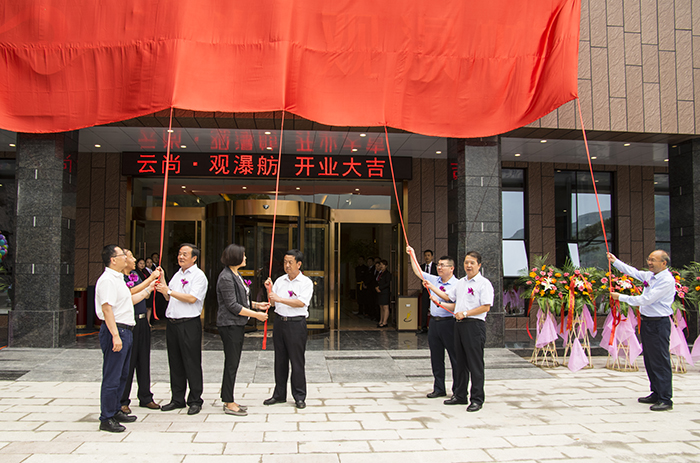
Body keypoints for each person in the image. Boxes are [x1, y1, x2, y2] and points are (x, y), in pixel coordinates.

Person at [95, 245, 155, 432]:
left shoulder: (118, 279)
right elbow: (107, 309)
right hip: (117, 330)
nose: (127, 258)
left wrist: (149, 288)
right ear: (113, 260)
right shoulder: (107, 280)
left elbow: (127, 300)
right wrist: (115, 335)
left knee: (122, 374)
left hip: (126, 330)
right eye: (122, 255)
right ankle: (106, 417)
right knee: (112, 376)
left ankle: (115, 410)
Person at [608, 250, 675, 411]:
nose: (649, 262)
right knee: (650, 360)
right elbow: (634, 272)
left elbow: (646, 300)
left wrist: (620, 297)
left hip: (659, 324)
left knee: (660, 360)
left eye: (653, 260)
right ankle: (656, 392)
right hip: (647, 322)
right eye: (649, 259)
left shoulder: (666, 280)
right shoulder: (651, 276)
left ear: (664, 263)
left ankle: (665, 398)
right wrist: (615, 261)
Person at [433, 251, 494, 412]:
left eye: (472, 263)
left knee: (475, 364)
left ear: (479, 265)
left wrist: (465, 313)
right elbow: (448, 298)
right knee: (460, 362)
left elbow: (486, 306)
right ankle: (460, 395)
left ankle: (477, 399)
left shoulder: (483, 283)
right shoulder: (461, 283)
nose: (468, 265)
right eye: (466, 262)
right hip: (459, 325)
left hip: (474, 326)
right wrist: (433, 292)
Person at [216, 244, 269, 416]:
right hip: (229, 325)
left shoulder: (235, 275)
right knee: (231, 363)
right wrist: (256, 315)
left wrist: (257, 305)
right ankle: (228, 402)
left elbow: (241, 301)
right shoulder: (226, 277)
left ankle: (228, 398)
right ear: (235, 257)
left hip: (236, 324)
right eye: (243, 255)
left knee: (233, 362)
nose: (245, 258)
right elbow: (232, 305)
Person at [157, 243, 208, 415]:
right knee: (175, 362)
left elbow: (192, 298)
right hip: (173, 323)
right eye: (180, 253)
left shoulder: (199, 276)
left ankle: (195, 399)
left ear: (194, 258)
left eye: (185, 254)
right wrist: (162, 280)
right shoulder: (178, 274)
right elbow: (168, 296)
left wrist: (169, 291)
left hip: (189, 324)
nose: (181, 257)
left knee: (191, 362)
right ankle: (177, 398)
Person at [406, 246, 461, 400]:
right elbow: (418, 272)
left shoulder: (457, 284)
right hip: (434, 323)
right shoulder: (434, 279)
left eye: (443, 265)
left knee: (455, 357)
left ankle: (458, 389)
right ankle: (439, 388)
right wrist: (412, 254)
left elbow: (453, 302)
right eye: (439, 265)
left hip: (449, 323)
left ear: (451, 268)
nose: (439, 268)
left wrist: (436, 296)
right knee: (436, 357)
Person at [263, 249, 314, 409]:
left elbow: (301, 303)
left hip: (296, 324)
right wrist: (269, 290)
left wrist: (280, 299)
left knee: (297, 361)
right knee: (280, 360)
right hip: (280, 323)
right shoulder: (280, 281)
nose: (287, 265)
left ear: (299, 264)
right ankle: (279, 394)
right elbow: (273, 303)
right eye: (285, 262)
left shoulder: (305, 282)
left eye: (290, 262)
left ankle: (299, 396)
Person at [120, 250, 162, 414]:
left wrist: (150, 286)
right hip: (129, 322)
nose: (134, 259)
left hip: (142, 320)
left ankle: (145, 396)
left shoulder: (136, 275)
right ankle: (123, 400)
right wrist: (150, 280)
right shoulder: (119, 278)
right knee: (129, 362)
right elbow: (129, 294)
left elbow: (143, 295)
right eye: (131, 256)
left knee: (143, 359)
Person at [418, 250, 438, 334]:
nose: (427, 257)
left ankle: (434, 328)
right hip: (425, 291)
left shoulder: (436, 267)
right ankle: (423, 327)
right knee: (424, 309)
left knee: (434, 309)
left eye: (428, 255)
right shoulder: (421, 267)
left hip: (434, 291)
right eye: (425, 255)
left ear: (432, 256)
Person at [375, 259, 391, 327]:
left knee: (385, 307)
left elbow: (387, 283)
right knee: (381, 307)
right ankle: (381, 320)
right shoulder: (380, 273)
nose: (381, 266)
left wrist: (380, 288)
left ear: (386, 266)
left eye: (383, 265)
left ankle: (385, 322)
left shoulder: (387, 273)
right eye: (380, 264)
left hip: (385, 292)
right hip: (380, 292)